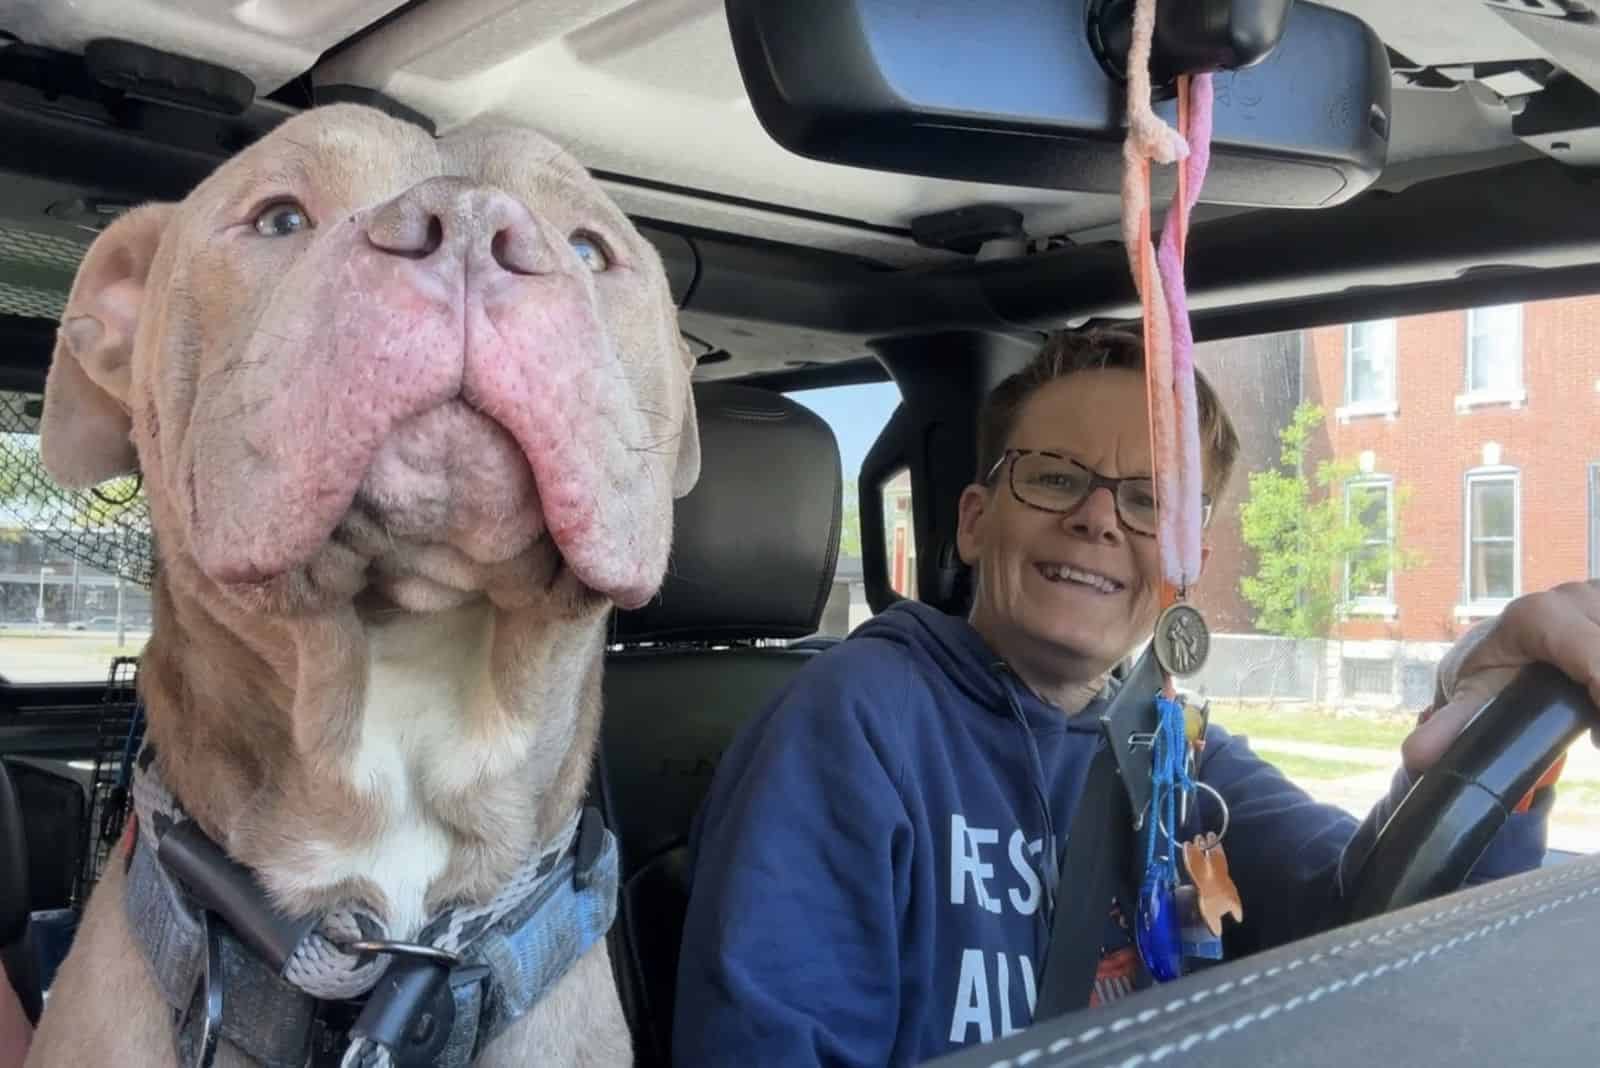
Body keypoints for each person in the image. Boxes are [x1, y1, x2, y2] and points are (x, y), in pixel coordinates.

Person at [670, 328, 1600, 1067]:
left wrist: (1477, 709)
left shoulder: (1173, 751)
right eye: (1053, 477)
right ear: (974, 518)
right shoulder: (853, 723)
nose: (1098, 516)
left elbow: (1368, 928)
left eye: (1149, 499)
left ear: (1185, 559)